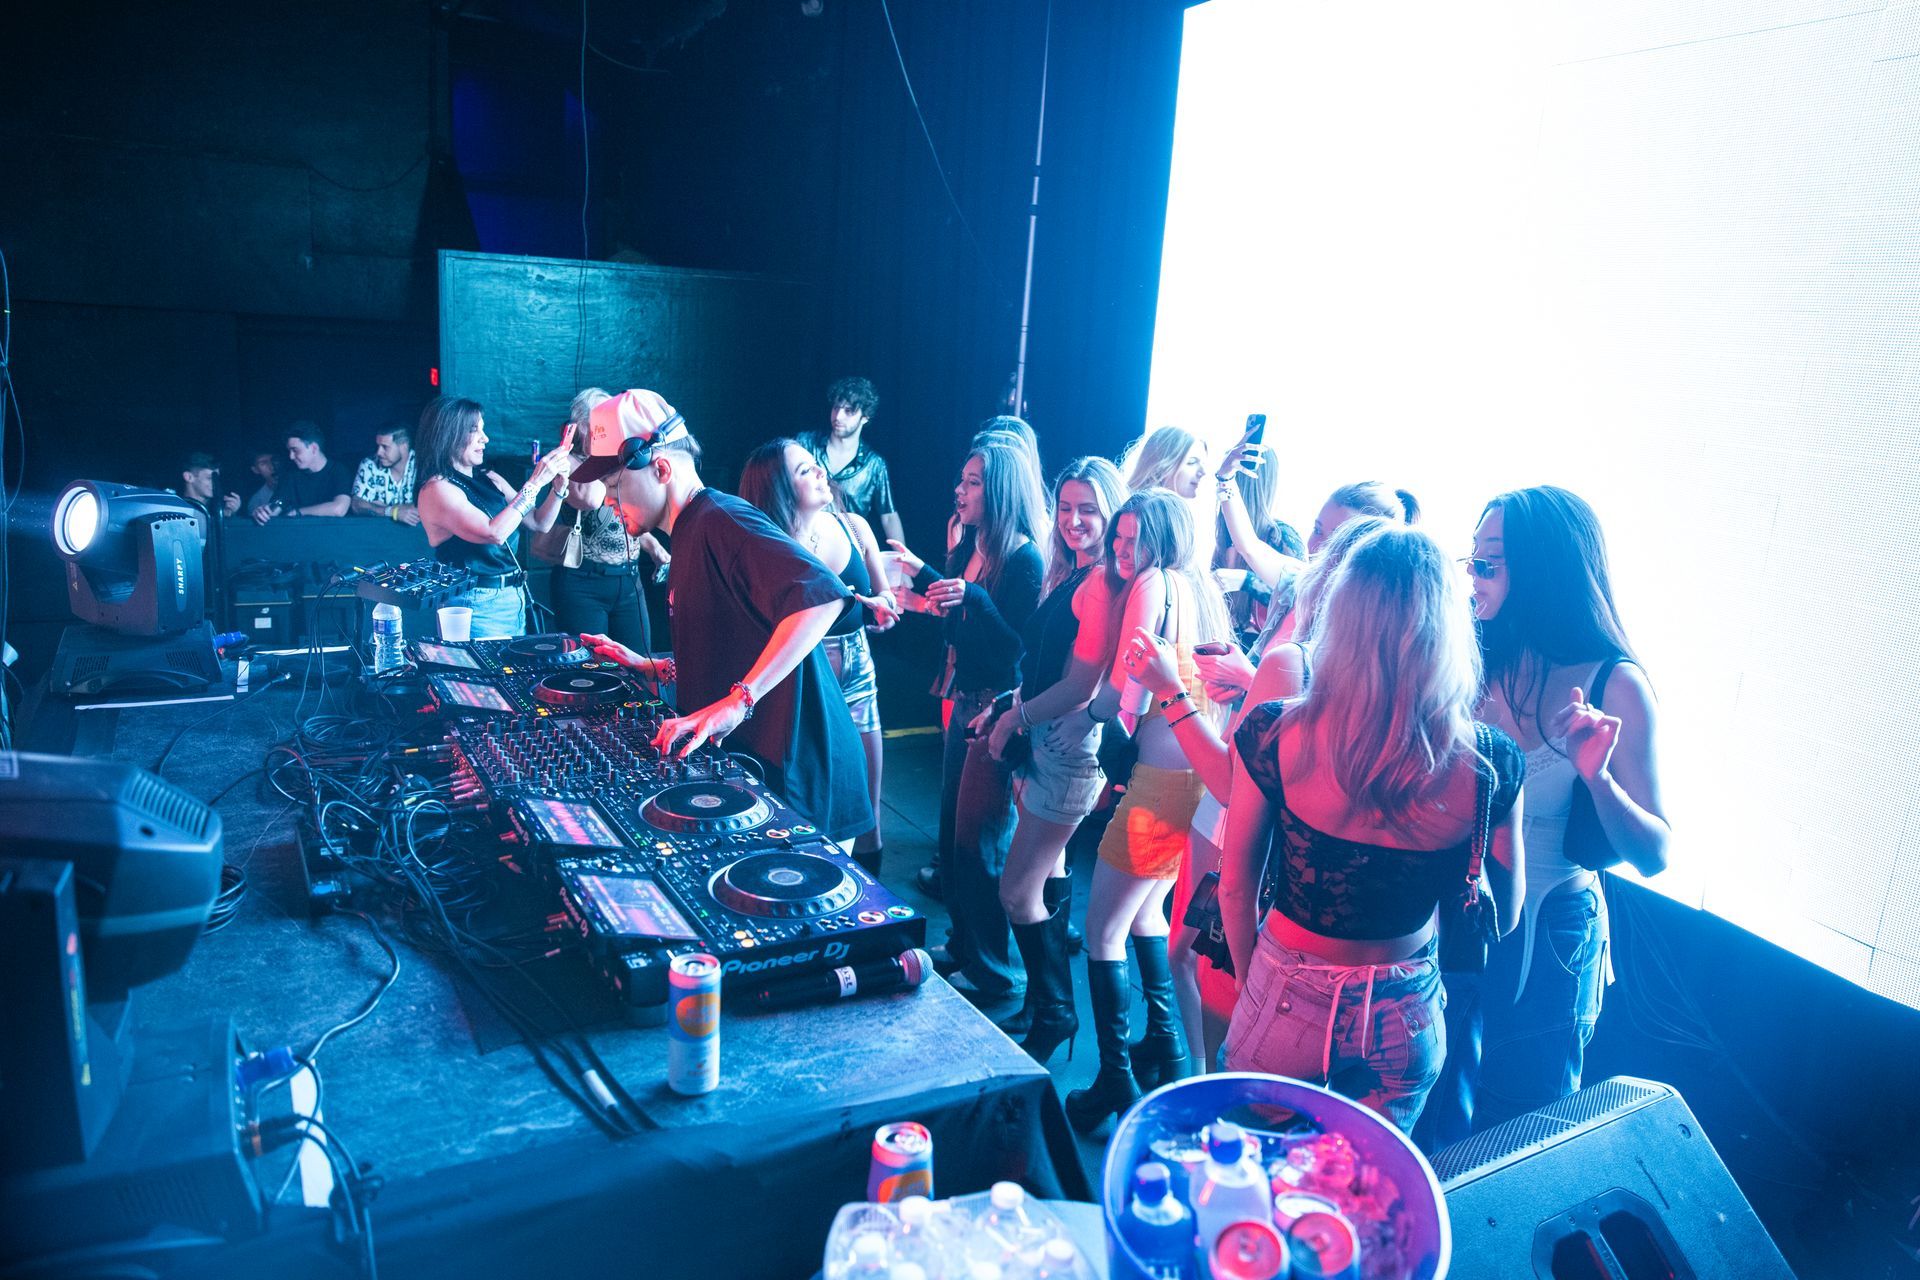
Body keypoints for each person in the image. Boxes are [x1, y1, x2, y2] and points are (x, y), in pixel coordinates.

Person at [1218, 524, 1527, 1132]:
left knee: (1255, 1179)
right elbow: (1507, 915)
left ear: (1341, 617)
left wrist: (1261, 982)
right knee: (1358, 1192)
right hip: (1407, 1008)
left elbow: (1235, 887)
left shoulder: (1275, 733)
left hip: (1288, 984)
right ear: (1447, 632)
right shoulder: (1491, 762)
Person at [1416, 486, 1670, 1147]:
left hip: (1547, 940)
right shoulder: (1474, 654)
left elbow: (1654, 854)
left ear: (1545, 569)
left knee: (1513, 1133)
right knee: (1427, 1115)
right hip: (1453, 921)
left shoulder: (1617, 683)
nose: (1474, 578)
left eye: (1491, 564)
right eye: (1472, 561)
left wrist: (1600, 776)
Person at [1126, 515, 1386, 1076]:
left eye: (1325, 541)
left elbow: (1233, 784)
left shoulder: (1300, 659)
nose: (1311, 551)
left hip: (1245, 841)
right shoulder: (1384, 672)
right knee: (1184, 959)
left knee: (1223, 998)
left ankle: (1197, 1085)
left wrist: (1169, 690)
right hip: (1311, 890)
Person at [574, 389, 873, 845]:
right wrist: (652, 666)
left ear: (660, 468)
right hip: (775, 764)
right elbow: (738, 641)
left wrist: (739, 701)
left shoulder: (721, 519)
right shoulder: (691, 532)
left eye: (614, 485)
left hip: (808, 773)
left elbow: (822, 598)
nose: (607, 499)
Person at [1052, 487, 1231, 1131]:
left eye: (1133, 540)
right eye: (1119, 540)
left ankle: (1113, 1082)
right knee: (1146, 914)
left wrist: (1088, 717)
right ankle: (1162, 1044)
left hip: (1158, 784)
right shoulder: (1200, 589)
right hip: (1188, 785)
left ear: (1161, 538)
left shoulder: (1154, 584)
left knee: (1101, 930)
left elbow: (1128, 684)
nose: (1123, 553)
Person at [889, 438, 1047, 1002]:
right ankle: (964, 948)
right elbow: (958, 618)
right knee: (953, 841)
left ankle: (997, 978)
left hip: (996, 710)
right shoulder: (971, 545)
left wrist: (972, 598)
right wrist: (925, 574)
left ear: (1000, 490)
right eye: (962, 478)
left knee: (981, 848)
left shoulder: (1026, 559)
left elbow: (1015, 651)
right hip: (965, 701)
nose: (960, 489)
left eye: (974, 481)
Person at [984, 456, 1128, 1060]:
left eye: (1088, 510)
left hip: (1067, 746)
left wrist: (1016, 717)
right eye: (1065, 508)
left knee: (1017, 890)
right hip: (1051, 739)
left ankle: (1056, 1013)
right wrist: (1011, 704)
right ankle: (1047, 1008)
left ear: (1112, 515)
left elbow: (1081, 686)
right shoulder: (1079, 573)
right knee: (1046, 877)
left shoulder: (1098, 583)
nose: (1073, 520)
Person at [738, 437, 902, 872]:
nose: (819, 473)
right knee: (818, 806)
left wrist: (883, 605)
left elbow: (885, 592)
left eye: (816, 466)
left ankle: (873, 917)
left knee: (868, 808)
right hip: (805, 677)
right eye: (803, 470)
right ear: (778, 488)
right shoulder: (768, 548)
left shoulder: (853, 527)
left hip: (857, 666)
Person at [414, 396, 574, 639]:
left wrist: (558, 489)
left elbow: (538, 522)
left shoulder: (490, 478)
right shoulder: (437, 488)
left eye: (483, 429)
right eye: (474, 430)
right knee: (481, 676)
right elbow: (494, 533)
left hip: (513, 595)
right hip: (475, 601)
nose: (484, 438)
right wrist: (535, 482)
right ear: (449, 434)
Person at [544, 389, 669, 657]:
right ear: (581, 427)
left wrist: (654, 547)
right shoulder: (568, 460)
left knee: (639, 661)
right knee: (587, 666)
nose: (608, 427)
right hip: (583, 581)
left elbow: (623, 516)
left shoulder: (621, 461)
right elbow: (590, 499)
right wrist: (607, 456)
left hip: (628, 579)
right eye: (599, 421)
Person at [1211, 441, 1304, 647]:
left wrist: (1247, 581)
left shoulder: (1281, 536)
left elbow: (1293, 603)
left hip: (1264, 651)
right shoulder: (1222, 536)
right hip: (1224, 643)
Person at [799, 376, 904, 546]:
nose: (838, 416)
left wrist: (903, 566)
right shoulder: (805, 444)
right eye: (836, 408)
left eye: (849, 411)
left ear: (865, 417)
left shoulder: (874, 465)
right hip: (804, 543)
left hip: (848, 550)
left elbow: (889, 517)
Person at [254, 422, 352, 523]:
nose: (291, 456)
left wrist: (298, 512)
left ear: (314, 448)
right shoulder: (291, 475)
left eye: (295, 450)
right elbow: (277, 505)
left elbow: (339, 509)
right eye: (289, 451)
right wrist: (263, 513)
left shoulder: (338, 471)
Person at [350, 422, 420, 524]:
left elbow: (432, 507)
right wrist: (392, 511)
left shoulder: (422, 465)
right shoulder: (370, 464)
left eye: (385, 447)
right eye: (378, 446)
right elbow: (356, 505)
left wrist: (374, 506)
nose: (379, 452)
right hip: (379, 534)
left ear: (404, 446)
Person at [1124, 426, 1209, 500]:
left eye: (1204, 463)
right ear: (1161, 466)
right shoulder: (1136, 513)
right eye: (1192, 462)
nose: (1203, 472)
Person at [179, 452, 241, 516]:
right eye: (209, 478)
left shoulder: (217, 509)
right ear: (188, 477)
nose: (215, 483)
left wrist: (227, 516)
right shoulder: (176, 510)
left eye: (216, 478)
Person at [243, 449, 279, 516]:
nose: (272, 466)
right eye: (263, 463)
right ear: (255, 470)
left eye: (274, 460)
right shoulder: (256, 501)